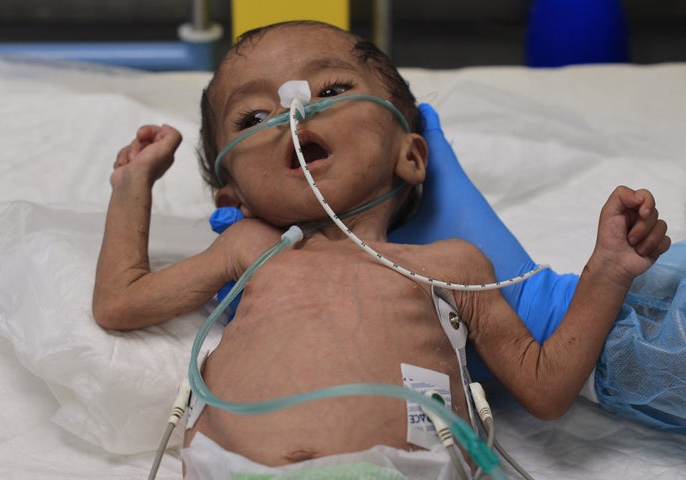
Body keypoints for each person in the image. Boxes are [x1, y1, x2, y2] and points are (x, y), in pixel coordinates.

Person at [92, 21, 671, 478]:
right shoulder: (250, 249)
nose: (296, 110)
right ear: (234, 196)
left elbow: (545, 389)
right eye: (254, 116)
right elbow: (121, 301)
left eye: (335, 89)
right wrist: (133, 185)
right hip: (233, 471)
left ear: (412, 156)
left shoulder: (451, 264)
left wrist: (609, 270)